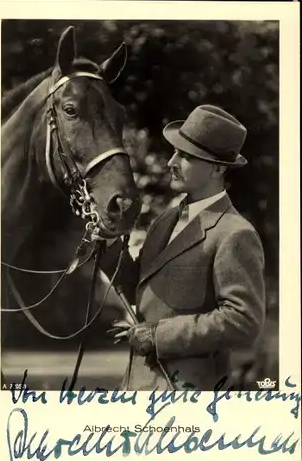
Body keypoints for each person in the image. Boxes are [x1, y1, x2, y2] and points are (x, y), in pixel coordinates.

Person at [99, 104, 266, 391]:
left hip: (188, 395)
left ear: (216, 168)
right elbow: (140, 286)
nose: (170, 163)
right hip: (136, 388)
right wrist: (109, 238)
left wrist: (158, 336)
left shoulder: (235, 233)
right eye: (175, 152)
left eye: (186, 156)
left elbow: (244, 320)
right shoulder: (165, 222)